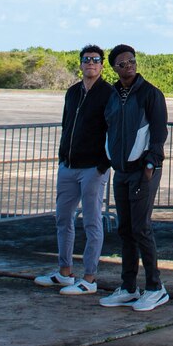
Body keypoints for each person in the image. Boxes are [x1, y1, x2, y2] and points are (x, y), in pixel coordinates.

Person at [99, 45, 169, 311]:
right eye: (122, 63)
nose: (128, 65)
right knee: (125, 230)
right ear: (115, 69)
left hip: (143, 172)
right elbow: (109, 128)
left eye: (131, 61)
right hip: (122, 172)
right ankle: (128, 287)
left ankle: (155, 287)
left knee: (141, 229)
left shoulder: (150, 94)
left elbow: (159, 133)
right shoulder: (114, 95)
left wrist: (150, 166)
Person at [36, 45, 111, 295]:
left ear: (101, 65)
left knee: (91, 222)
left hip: (93, 168)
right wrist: (62, 157)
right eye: (86, 59)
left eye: (95, 60)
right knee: (63, 218)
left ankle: (89, 278)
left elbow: (113, 131)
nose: (90, 63)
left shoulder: (107, 94)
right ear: (80, 64)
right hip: (68, 166)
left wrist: (103, 164)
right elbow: (67, 124)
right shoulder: (72, 93)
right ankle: (65, 272)